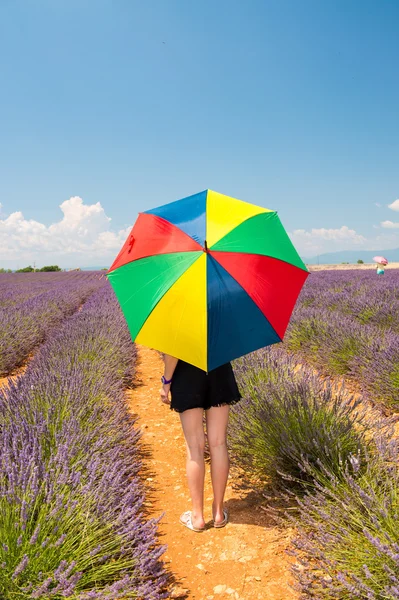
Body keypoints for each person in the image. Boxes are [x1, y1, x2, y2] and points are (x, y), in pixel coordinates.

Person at [160, 354, 242, 532]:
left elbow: (173, 353)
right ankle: (218, 512)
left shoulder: (179, 323)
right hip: (219, 369)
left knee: (195, 448)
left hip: (187, 375)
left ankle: (197, 517)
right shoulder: (223, 323)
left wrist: (166, 382)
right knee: (219, 443)